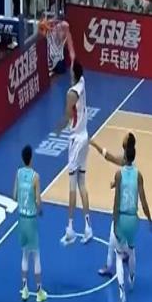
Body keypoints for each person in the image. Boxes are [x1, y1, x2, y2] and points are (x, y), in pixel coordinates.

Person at [112, 139, 152, 302]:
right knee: (132, 249)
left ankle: (122, 292)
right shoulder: (139, 175)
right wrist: (149, 219)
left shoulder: (118, 174)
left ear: (124, 157)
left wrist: (115, 221)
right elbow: (143, 200)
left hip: (122, 217)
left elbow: (116, 200)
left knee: (119, 255)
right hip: (133, 218)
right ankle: (132, 278)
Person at [56, 61, 93, 245]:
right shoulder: (82, 82)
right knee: (82, 184)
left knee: (72, 186)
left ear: (73, 74)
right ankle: (87, 228)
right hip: (85, 136)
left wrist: (57, 129)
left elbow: (67, 116)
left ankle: (70, 229)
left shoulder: (71, 93)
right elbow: (76, 66)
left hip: (76, 140)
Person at [90, 132, 137, 277]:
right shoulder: (130, 161)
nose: (122, 138)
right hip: (130, 209)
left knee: (112, 237)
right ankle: (126, 253)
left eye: (125, 137)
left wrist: (95, 144)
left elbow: (108, 157)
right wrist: (115, 184)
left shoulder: (125, 160)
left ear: (127, 143)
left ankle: (109, 266)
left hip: (122, 208)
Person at [13, 145, 47, 302]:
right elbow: (38, 200)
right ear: (31, 158)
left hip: (21, 218)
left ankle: (25, 289)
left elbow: (14, 196)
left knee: (24, 255)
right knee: (36, 255)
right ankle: (39, 291)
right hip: (31, 219)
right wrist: (40, 210)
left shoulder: (18, 173)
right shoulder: (35, 176)